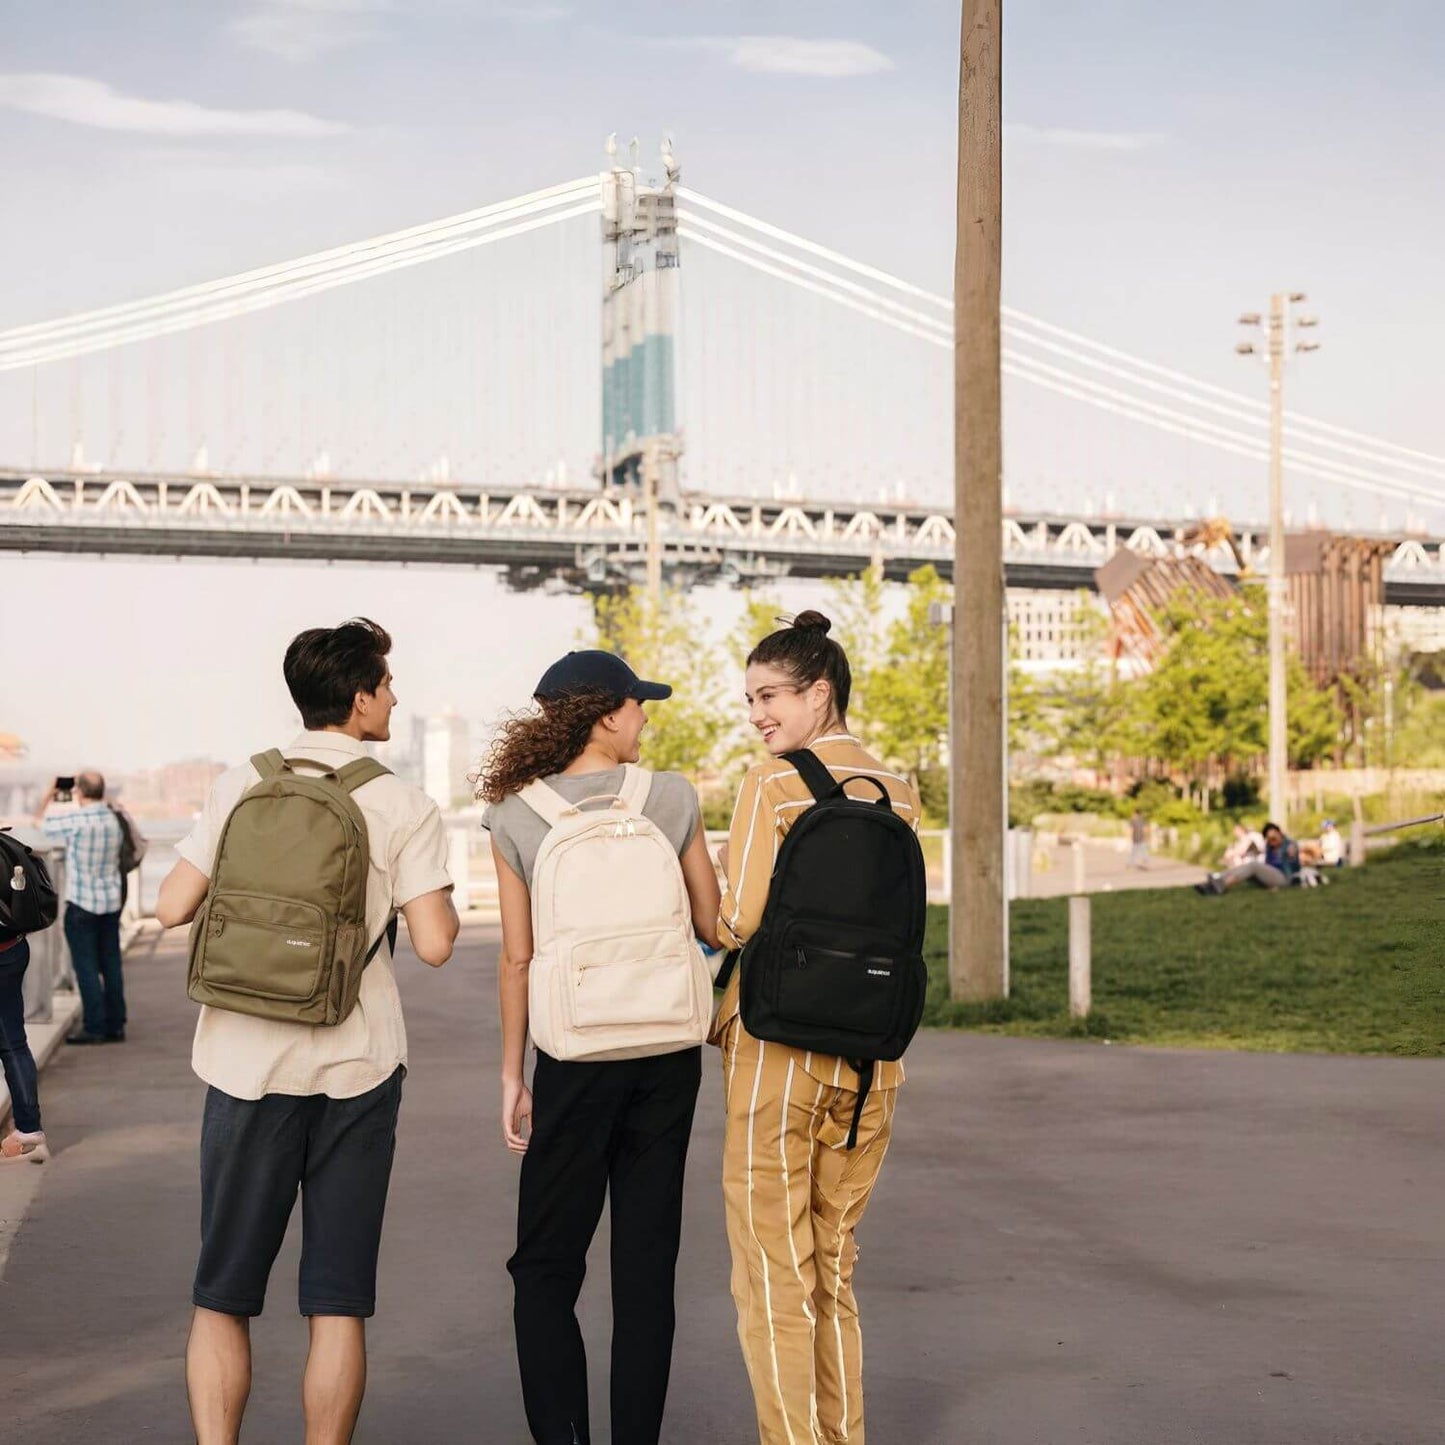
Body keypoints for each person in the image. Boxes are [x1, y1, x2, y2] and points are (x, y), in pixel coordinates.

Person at [154, 617, 460, 1445]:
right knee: (336, 1297)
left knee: (222, 1292)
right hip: (356, 1069)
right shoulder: (400, 801)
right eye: (388, 685)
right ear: (360, 700)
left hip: (243, 1063)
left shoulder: (239, 784)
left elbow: (170, 904)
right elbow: (433, 945)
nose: (395, 697)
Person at [479, 648, 721, 1445]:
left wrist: (514, 1074)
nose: (645, 717)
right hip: (664, 1055)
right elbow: (711, 926)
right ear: (606, 713)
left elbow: (516, 958)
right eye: (638, 705)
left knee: (545, 1267)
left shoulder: (516, 814)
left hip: (574, 1060)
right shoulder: (673, 798)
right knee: (645, 1267)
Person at [714, 611, 922, 1445]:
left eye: (768, 695)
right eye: (751, 699)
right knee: (832, 1267)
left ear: (818, 693)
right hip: (871, 1059)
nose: (757, 714)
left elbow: (735, 920)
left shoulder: (772, 783)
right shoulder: (898, 790)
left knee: (772, 1269)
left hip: (777, 1052)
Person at [35, 770, 126, 1045]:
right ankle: (115, 1024)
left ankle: (94, 1026)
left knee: (85, 967)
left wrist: (51, 792)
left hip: (82, 904)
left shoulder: (78, 820)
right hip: (110, 902)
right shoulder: (113, 818)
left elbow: (40, 823)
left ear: (79, 791)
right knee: (110, 964)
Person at [0, 932, 45, 1159]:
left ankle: (28, 1128)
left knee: (12, 1045)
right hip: (13, 946)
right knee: (14, 1044)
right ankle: (28, 1127)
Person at [1196, 821, 1300, 895]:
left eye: (1274, 837)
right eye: (1269, 839)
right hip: (1271, 876)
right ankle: (1216, 879)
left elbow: (1293, 854)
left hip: (1284, 878)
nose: (1272, 841)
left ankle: (1221, 886)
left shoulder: (1289, 844)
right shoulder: (1270, 847)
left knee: (1253, 865)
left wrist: (1291, 852)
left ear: (1280, 833)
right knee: (1244, 866)